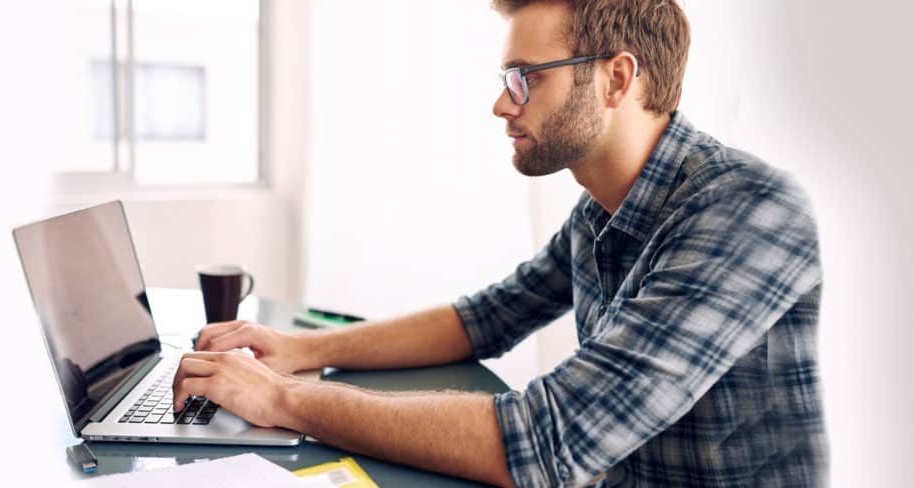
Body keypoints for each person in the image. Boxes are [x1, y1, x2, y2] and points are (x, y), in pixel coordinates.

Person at [173, 1, 828, 486]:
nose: (501, 105)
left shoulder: (744, 210)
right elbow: (481, 321)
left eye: (525, 78)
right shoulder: (602, 209)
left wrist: (281, 398)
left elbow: (546, 442)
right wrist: (300, 350)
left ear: (617, 80)